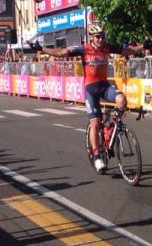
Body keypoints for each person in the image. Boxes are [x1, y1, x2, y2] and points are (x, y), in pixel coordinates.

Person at [29, 23, 143, 172]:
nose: (101, 39)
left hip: (104, 86)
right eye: (98, 37)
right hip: (90, 90)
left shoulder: (107, 47)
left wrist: (142, 47)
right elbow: (61, 52)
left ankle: (113, 127)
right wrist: (42, 49)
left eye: (103, 36)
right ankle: (96, 156)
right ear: (91, 38)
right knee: (95, 123)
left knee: (122, 100)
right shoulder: (84, 49)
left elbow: (127, 50)